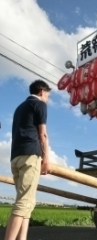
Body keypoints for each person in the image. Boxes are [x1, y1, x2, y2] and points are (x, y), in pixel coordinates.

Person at [4, 80, 51, 240]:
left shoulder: (19, 108)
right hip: (30, 156)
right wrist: (46, 159)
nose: (48, 99)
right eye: (48, 95)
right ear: (42, 92)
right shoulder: (40, 105)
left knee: (27, 203)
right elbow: (43, 134)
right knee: (24, 203)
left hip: (15, 157)